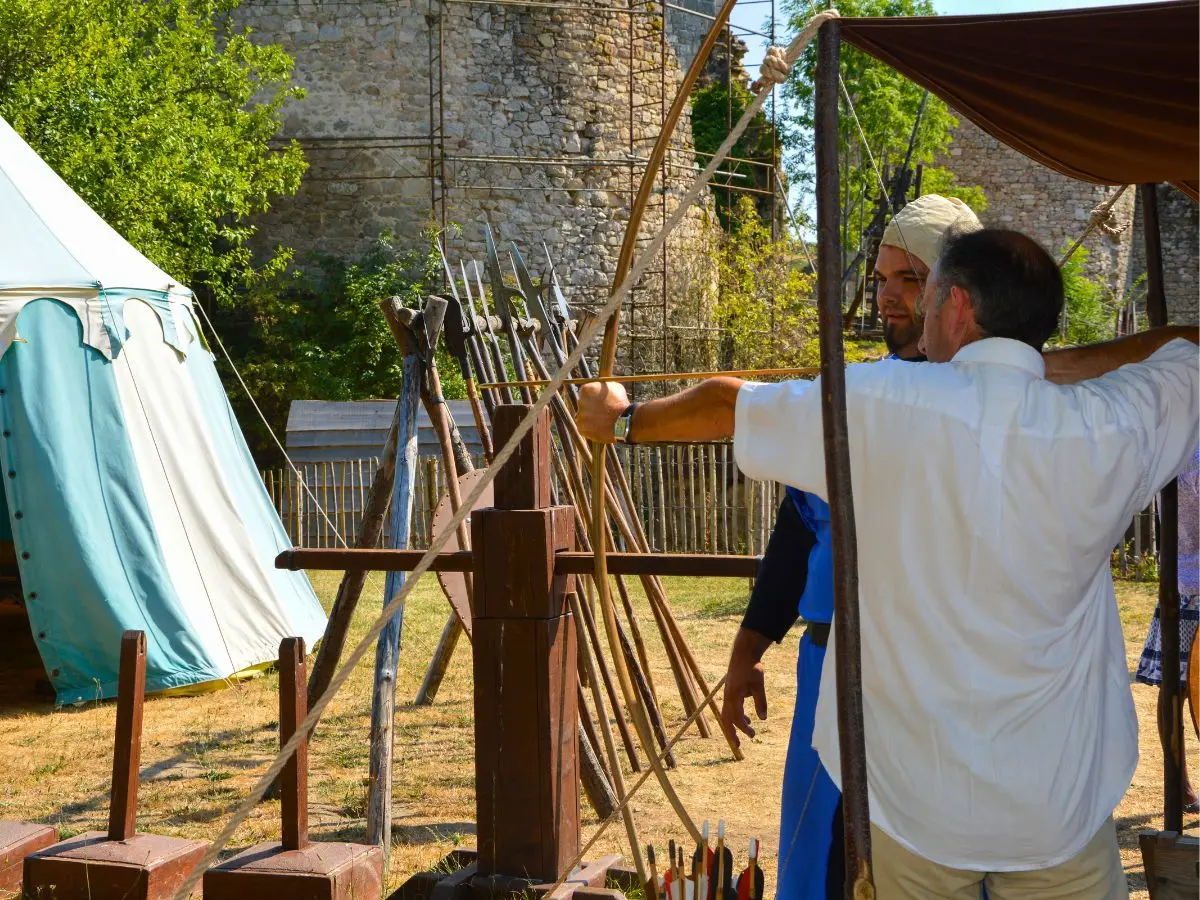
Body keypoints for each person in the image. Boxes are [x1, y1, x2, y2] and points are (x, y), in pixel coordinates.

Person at [578, 228, 1199, 898]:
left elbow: (729, 403)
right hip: (1058, 808)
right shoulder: (1110, 422)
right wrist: (1030, 362)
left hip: (917, 807)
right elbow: (1191, 346)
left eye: (927, 296)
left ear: (957, 307)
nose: (915, 312)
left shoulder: (881, 402)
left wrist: (621, 419)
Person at [725, 193, 983, 900]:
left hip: (939, 675)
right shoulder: (856, 396)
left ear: (958, 294)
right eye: (881, 278)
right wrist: (748, 651)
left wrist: (627, 420)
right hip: (831, 665)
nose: (889, 296)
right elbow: (799, 531)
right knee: (827, 859)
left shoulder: (995, 404)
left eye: (911, 279)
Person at [1135, 445, 1200, 812]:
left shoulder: (1175, 445)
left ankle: (1180, 784)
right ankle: (1180, 785)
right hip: (1191, 585)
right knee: (1177, 688)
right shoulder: (1192, 452)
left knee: (1175, 689)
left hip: (1181, 579)